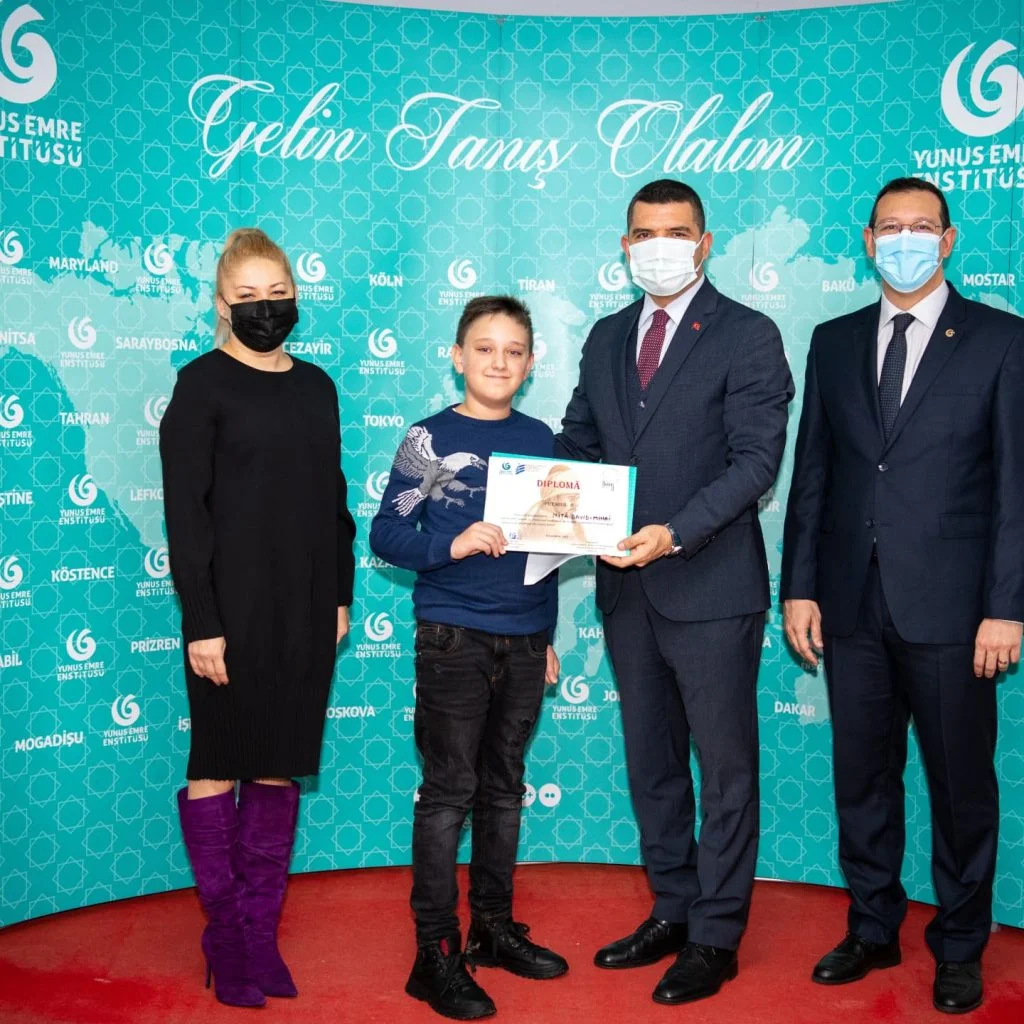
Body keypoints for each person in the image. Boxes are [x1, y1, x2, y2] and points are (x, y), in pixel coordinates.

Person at [782, 177, 1023, 1015]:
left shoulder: (1001, 340)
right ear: (868, 239)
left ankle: (959, 944)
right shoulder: (834, 341)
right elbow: (813, 473)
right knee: (862, 778)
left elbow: (1016, 488)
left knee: (961, 788)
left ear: (948, 241)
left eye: (922, 226)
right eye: (891, 226)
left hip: (956, 611)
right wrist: (799, 588)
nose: (905, 239)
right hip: (850, 603)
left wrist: (1007, 605)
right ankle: (873, 926)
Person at [555, 179, 793, 1005]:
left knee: (724, 773)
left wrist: (675, 532)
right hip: (627, 594)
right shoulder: (606, 336)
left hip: (711, 585)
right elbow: (579, 442)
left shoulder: (748, 334)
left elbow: (756, 462)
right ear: (625, 246)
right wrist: (529, 489)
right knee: (652, 765)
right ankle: (674, 908)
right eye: (645, 234)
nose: (660, 246)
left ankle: (716, 936)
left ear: (705, 242)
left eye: (677, 232)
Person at [159, 228, 356, 1007]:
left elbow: (332, 500)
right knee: (217, 761)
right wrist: (202, 621)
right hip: (229, 609)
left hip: (304, 604)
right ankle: (227, 938)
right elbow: (187, 516)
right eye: (248, 297)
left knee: (276, 763)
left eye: (278, 294)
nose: (265, 308)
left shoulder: (317, 388)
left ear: (296, 297)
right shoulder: (200, 386)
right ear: (221, 303)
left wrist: (339, 595)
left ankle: (258, 934)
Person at [370, 295, 568, 1021]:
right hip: (453, 636)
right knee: (449, 792)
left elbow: (551, 547)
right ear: (457, 357)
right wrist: (448, 544)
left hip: (525, 639)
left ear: (531, 363)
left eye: (513, 351)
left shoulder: (540, 438)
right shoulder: (429, 436)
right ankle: (434, 952)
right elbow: (386, 534)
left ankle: (492, 927)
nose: (498, 362)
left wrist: (544, 635)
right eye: (484, 348)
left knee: (504, 790)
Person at [517, 463, 589, 544]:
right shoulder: (542, 528)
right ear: (553, 498)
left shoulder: (571, 523)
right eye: (571, 498)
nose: (576, 503)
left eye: (577, 498)